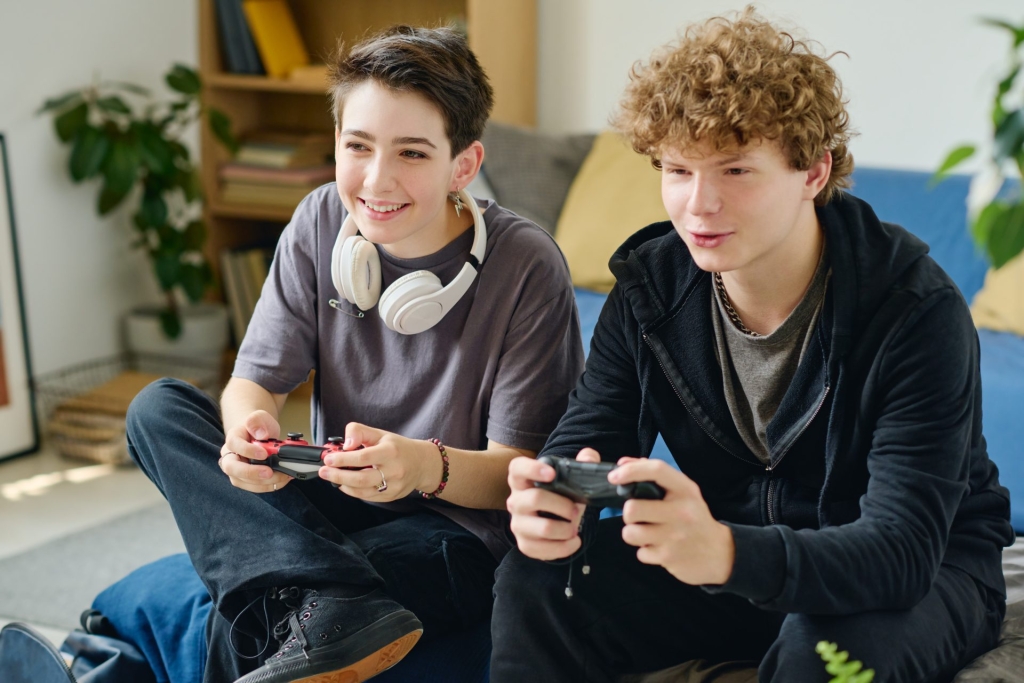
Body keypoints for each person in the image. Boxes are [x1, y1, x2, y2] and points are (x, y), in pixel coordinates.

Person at [492, 9, 1014, 683]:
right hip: (732, 560)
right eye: (678, 170)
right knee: (533, 580)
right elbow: (587, 436)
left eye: (735, 171)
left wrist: (727, 553)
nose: (698, 205)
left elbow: (903, 550)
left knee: (818, 656)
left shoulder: (914, 308)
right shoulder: (649, 289)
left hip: (918, 575)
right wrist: (549, 501)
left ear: (814, 171)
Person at [125, 25, 583, 683]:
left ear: (464, 165)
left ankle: (300, 590)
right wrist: (246, 431)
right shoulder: (317, 220)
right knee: (157, 408)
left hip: (453, 535)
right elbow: (253, 380)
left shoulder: (526, 263)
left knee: (250, 604)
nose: (376, 179)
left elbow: (525, 472)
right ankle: (326, 599)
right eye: (358, 146)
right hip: (330, 496)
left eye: (412, 154)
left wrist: (422, 465)